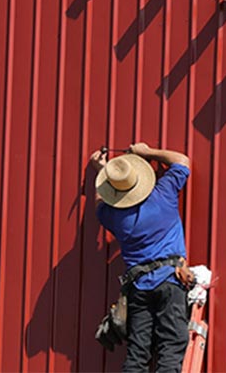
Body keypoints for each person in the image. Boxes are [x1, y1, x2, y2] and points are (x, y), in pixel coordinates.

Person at [90, 143, 195, 373]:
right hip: (170, 280)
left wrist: (102, 170)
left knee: (138, 354)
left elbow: (99, 203)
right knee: (171, 348)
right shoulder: (163, 195)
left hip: (138, 288)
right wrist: (147, 152)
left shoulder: (114, 216)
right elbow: (182, 161)